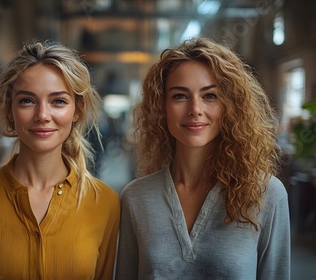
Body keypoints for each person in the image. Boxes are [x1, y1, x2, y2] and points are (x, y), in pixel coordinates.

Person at [0, 41, 120, 279]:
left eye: (59, 101)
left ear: (77, 111)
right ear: (10, 110)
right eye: (27, 101)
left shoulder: (104, 203)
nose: (42, 115)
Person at [116, 38, 290, 280]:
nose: (195, 109)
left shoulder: (267, 194)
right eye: (179, 96)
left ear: (229, 106)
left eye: (210, 96)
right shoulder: (136, 197)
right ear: (161, 106)